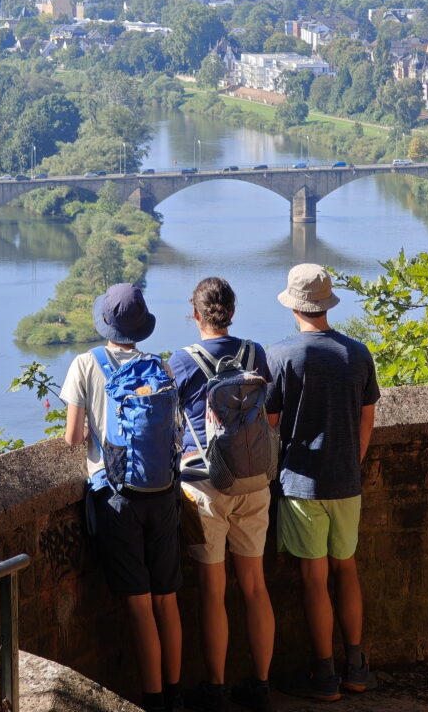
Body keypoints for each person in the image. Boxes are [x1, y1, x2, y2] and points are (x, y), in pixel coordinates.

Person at [61, 283, 183, 712]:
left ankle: (154, 700)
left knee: (139, 604)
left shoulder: (85, 363)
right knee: (167, 599)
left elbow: (74, 437)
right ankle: (175, 692)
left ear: (105, 324)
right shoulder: (161, 366)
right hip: (163, 491)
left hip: (116, 497)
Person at [265, 263, 380, 703]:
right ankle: (356, 666)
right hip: (346, 480)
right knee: (346, 569)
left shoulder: (280, 355)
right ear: (327, 304)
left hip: (300, 483)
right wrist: (353, 461)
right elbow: (367, 419)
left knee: (314, 578)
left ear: (294, 306)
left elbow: (271, 422)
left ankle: (325, 675)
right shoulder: (357, 353)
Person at [169, 277, 276, 712]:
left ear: (195, 314)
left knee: (212, 591)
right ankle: (261, 685)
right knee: (255, 587)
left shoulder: (180, 360)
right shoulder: (255, 353)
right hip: (254, 481)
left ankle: (214, 689)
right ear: (232, 312)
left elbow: (167, 423)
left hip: (204, 486)